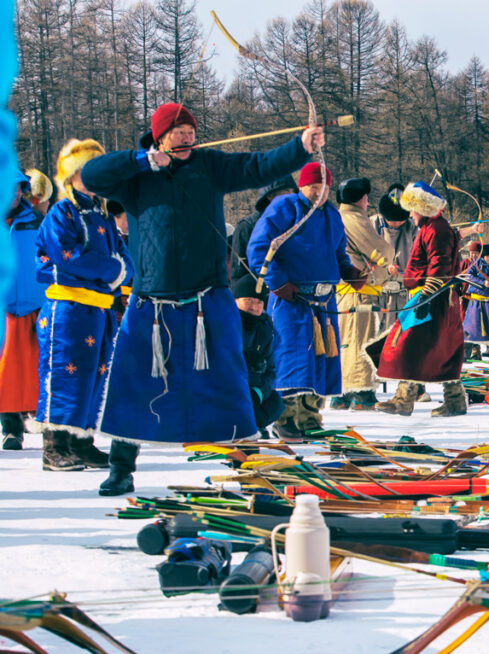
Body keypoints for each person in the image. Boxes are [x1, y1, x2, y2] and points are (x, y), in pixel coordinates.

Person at [81, 102, 321, 495]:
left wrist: (300, 147)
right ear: (160, 137)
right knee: (133, 383)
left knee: (229, 379)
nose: (188, 139)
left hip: (207, 298)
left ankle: (244, 461)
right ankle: (121, 466)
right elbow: (91, 176)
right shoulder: (135, 175)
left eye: (192, 133)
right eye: (179, 134)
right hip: (151, 303)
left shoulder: (209, 165)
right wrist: (141, 161)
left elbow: (257, 165)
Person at [247, 162, 365, 439]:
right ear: (302, 186)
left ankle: (310, 416)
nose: (319, 192)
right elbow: (259, 248)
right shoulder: (284, 207)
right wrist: (277, 282)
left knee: (320, 360)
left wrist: (349, 272)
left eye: (324, 187)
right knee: (290, 358)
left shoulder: (332, 216)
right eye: (313, 186)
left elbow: (339, 254)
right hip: (292, 298)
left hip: (324, 300)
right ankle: (284, 416)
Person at [36, 139, 133, 471]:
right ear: (71, 175)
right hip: (68, 309)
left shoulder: (102, 213)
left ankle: (82, 441)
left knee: (95, 374)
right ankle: (55, 446)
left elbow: (125, 260)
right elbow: (67, 258)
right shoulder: (61, 213)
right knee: (65, 373)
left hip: (100, 309)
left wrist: (117, 271)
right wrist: (109, 270)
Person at [366, 182, 468, 418]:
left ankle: (404, 401)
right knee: (440, 349)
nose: (410, 215)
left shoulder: (436, 230)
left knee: (407, 346)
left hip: (432, 298)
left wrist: (426, 296)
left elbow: (439, 267)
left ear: (422, 208)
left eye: (412, 209)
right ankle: (454, 401)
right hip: (436, 298)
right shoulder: (434, 228)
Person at [334, 177, 397, 410]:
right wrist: (386, 266)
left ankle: (340, 393)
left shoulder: (338, 217)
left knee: (344, 341)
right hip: (358, 289)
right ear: (361, 198)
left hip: (344, 289)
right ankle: (360, 391)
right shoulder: (352, 219)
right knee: (359, 340)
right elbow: (380, 249)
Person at [1, 171, 47, 450]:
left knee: (34, 367)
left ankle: (42, 419)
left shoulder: (36, 221)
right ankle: (10, 427)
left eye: (18, 189)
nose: (14, 194)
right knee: (5, 370)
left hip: (34, 304)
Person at [232, 273, 284, 438]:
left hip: (253, 387)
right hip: (229, 387)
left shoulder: (264, 326)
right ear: (235, 300)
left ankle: (251, 425)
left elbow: (270, 368)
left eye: (259, 302)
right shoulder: (226, 323)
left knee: (276, 402)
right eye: (249, 300)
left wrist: (258, 392)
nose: (254, 307)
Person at [229, 176, 297, 296]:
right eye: (287, 191)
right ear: (270, 196)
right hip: (258, 300)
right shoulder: (247, 226)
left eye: (293, 191)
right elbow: (238, 275)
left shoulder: (298, 223)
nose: (291, 196)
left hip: (294, 293)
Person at [373, 183, 417, 329]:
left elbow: (419, 256)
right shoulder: (373, 223)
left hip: (404, 291)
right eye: (392, 219)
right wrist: (384, 267)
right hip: (377, 291)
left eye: (400, 220)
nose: (396, 223)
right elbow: (365, 252)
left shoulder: (412, 227)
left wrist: (404, 273)